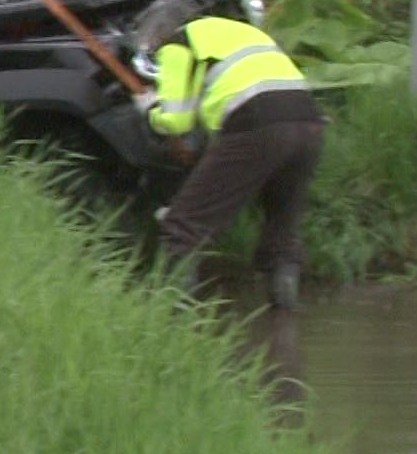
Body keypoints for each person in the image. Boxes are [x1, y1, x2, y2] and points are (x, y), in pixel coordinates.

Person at [134, 16, 325, 308]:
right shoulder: (241, 32)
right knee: (283, 228)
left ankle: (169, 313)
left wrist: (150, 108)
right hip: (309, 124)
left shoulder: (178, 44)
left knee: (184, 224)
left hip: (257, 123)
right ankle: (285, 316)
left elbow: (177, 120)